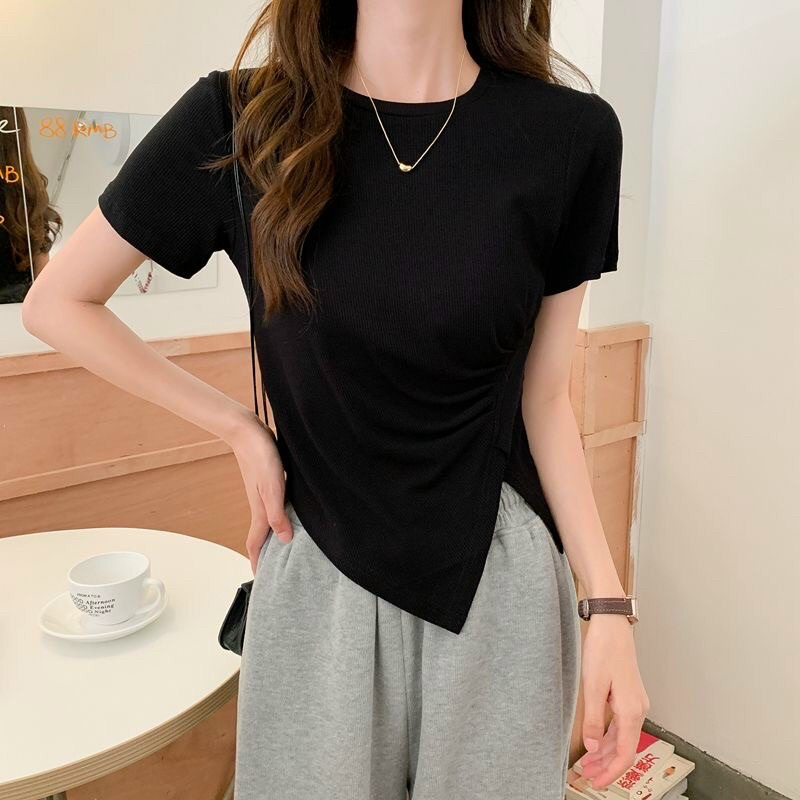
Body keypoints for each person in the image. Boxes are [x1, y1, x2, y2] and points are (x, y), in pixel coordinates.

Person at [21, 1, 650, 798]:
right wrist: (239, 428)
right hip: (320, 574)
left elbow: (546, 396)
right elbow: (59, 303)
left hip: (498, 584)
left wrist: (608, 606)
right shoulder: (242, 118)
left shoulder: (570, 135)